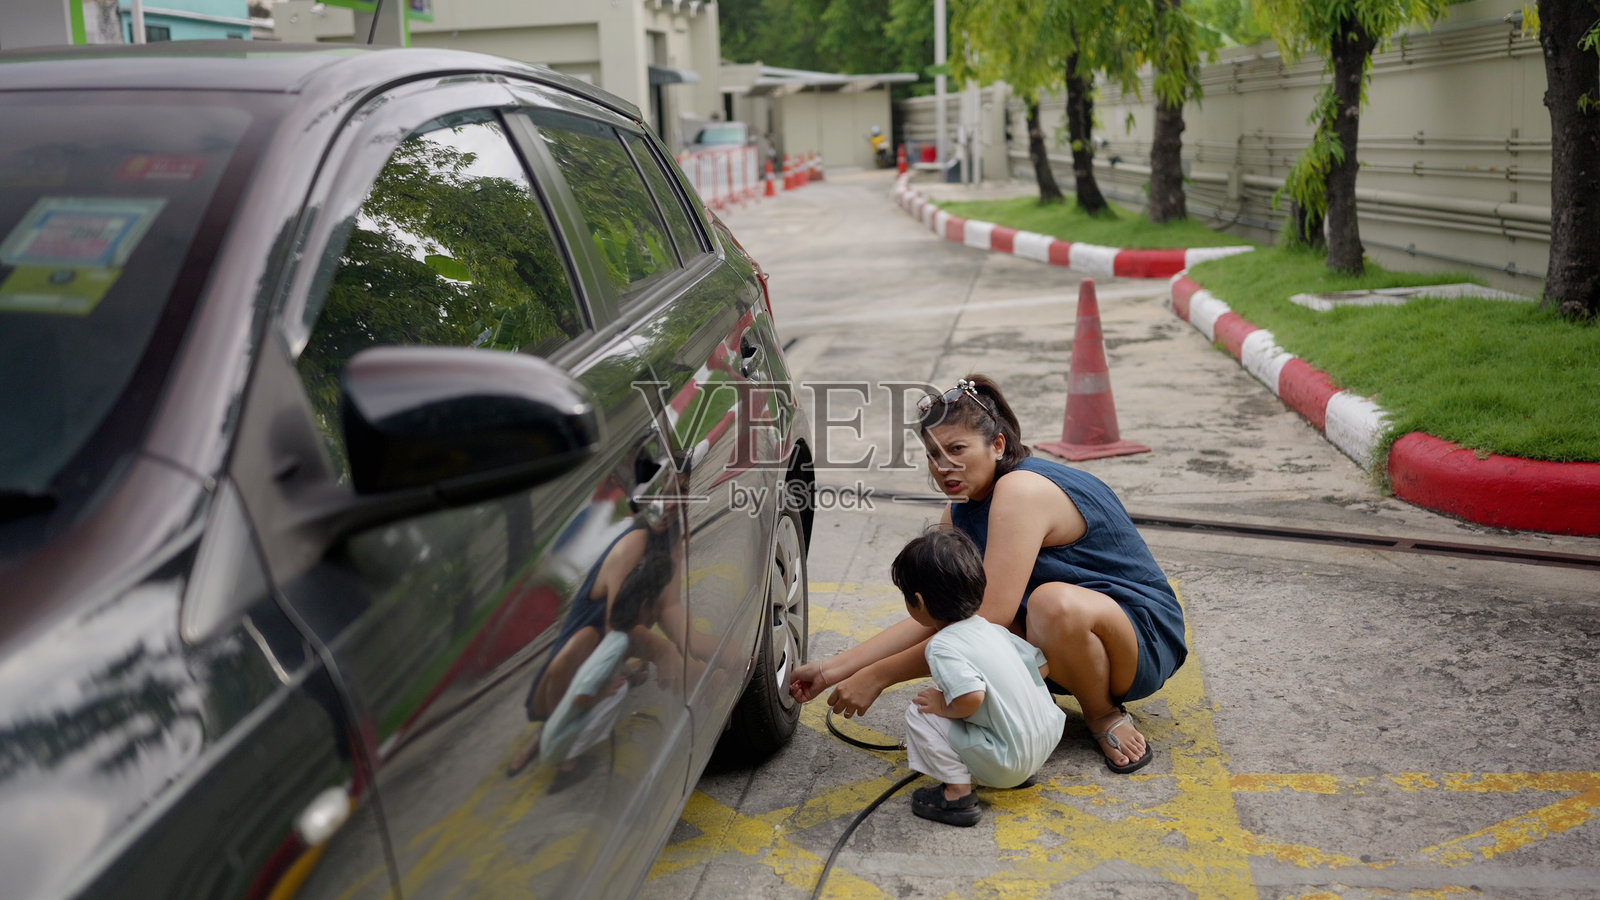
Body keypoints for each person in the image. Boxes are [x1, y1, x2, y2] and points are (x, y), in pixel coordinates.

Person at [790, 375, 1185, 773]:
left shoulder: (1021, 490)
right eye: (932, 454)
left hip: (1140, 639)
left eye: (957, 449)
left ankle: (1103, 714)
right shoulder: (958, 511)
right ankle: (1043, 697)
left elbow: (988, 620)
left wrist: (879, 676)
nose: (942, 466)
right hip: (1065, 643)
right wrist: (832, 670)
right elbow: (943, 615)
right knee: (971, 613)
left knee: (1048, 604)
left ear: (997, 445)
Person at [892, 528, 1065, 826]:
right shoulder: (993, 629)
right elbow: (1041, 668)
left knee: (920, 713)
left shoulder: (941, 646)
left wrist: (943, 706)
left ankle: (957, 795)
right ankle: (1014, 766)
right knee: (968, 702)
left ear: (918, 601)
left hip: (1007, 763)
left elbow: (971, 697)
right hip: (1043, 745)